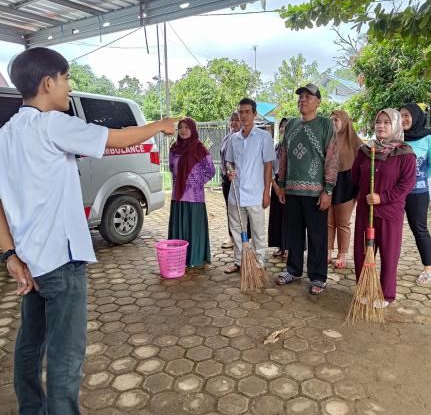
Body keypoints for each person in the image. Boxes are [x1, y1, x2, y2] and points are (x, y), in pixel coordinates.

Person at [0, 47, 176, 414]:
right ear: (47, 83)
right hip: (62, 265)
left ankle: (31, 409)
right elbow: (117, 138)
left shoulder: (6, 134)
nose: (68, 87)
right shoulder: (52, 124)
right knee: (66, 357)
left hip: (30, 263)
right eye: (65, 80)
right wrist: (160, 126)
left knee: (30, 346)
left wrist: (10, 256)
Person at [277, 84, 338, 295]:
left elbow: (332, 158)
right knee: (293, 234)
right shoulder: (291, 124)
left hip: (316, 193)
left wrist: (328, 189)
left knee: (317, 236)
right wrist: (282, 185)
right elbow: (283, 156)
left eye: (308, 97)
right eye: (300, 97)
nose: (302, 100)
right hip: (292, 191)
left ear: (318, 102)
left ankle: (318, 276)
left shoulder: (325, 124)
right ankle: (293, 270)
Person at [352, 108, 416, 308]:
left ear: (395, 125)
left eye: (387, 122)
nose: (381, 126)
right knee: (362, 252)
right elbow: (355, 177)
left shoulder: (405, 153)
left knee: (389, 254)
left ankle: (386, 294)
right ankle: (364, 287)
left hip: (389, 212)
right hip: (365, 210)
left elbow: (407, 184)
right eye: (378, 122)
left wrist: (382, 197)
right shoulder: (365, 151)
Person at [224, 97, 276, 273]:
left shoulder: (264, 137)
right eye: (241, 112)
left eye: (247, 112)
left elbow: (268, 165)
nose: (244, 115)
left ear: (254, 114)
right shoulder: (234, 139)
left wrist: (267, 192)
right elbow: (229, 162)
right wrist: (229, 171)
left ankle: (259, 264)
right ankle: (239, 262)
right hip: (236, 194)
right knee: (237, 231)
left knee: (258, 232)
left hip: (255, 194)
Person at [400, 103, 431, 286]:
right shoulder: (397, 136)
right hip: (395, 193)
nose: (403, 119)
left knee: (420, 229)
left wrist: (417, 178)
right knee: (392, 229)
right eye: (400, 116)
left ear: (416, 116)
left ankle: (428, 269)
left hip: (417, 193)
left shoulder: (429, 138)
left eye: (407, 115)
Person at [168, 117, 215, 268]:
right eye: (180, 127)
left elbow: (211, 170)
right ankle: (179, 257)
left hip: (194, 197)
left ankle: (194, 258)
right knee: (179, 226)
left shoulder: (200, 148)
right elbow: (171, 167)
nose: (183, 130)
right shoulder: (174, 148)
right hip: (178, 196)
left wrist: (197, 182)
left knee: (193, 228)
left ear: (193, 129)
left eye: (187, 127)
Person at [327, 110, 363, 268]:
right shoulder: (326, 139)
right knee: (327, 221)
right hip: (329, 182)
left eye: (336, 119)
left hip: (347, 184)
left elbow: (363, 168)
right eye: (331, 120)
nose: (333, 122)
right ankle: (327, 251)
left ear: (345, 121)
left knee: (342, 222)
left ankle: (342, 254)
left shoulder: (356, 143)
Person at [219, 111, 250, 249]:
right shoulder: (227, 138)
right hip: (227, 179)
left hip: (240, 180)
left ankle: (246, 238)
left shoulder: (245, 138)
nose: (233, 123)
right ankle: (232, 237)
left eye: (236, 120)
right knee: (230, 209)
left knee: (244, 209)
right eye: (231, 120)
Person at [268, 117, 289, 258]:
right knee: (277, 217)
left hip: (289, 185)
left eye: (286, 126)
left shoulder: (292, 146)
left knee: (289, 218)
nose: (283, 128)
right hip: (276, 184)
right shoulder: (275, 147)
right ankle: (280, 247)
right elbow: (269, 167)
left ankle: (288, 247)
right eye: (281, 126)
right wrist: (274, 186)